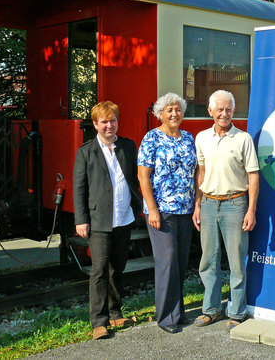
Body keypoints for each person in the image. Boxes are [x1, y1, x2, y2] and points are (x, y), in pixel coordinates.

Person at [73, 101, 143, 340]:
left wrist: (140, 205)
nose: (109, 125)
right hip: (99, 221)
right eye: (104, 122)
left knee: (118, 268)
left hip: (124, 218)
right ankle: (99, 322)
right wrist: (81, 220)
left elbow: (136, 177)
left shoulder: (127, 146)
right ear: (95, 124)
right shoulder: (86, 152)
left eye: (112, 120)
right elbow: (79, 188)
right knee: (100, 270)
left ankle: (115, 312)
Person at [192, 90, 259, 331]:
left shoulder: (243, 139)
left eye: (228, 109)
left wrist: (251, 210)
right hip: (208, 203)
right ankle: (211, 310)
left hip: (235, 204)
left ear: (233, 110)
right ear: (210, 111)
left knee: (236, 263)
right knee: (208, 261)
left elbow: (253, 176)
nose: (224, 113)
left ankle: (237, 313)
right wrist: (197, 204)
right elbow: (200, 172)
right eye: (219, 109)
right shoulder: (201, 138)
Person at [138, 93, 196, 334]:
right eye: (169, 110)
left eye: (177, 109)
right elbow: (143, 175)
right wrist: (152, 209)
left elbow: (197, 171)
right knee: (167, 263)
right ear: (159, 113)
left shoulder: (189, 138)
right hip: (161, 211)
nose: (174, 114)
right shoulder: (151, 138)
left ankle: (178, 311)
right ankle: (166, 317)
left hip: (185, 210)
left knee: (181, 263)